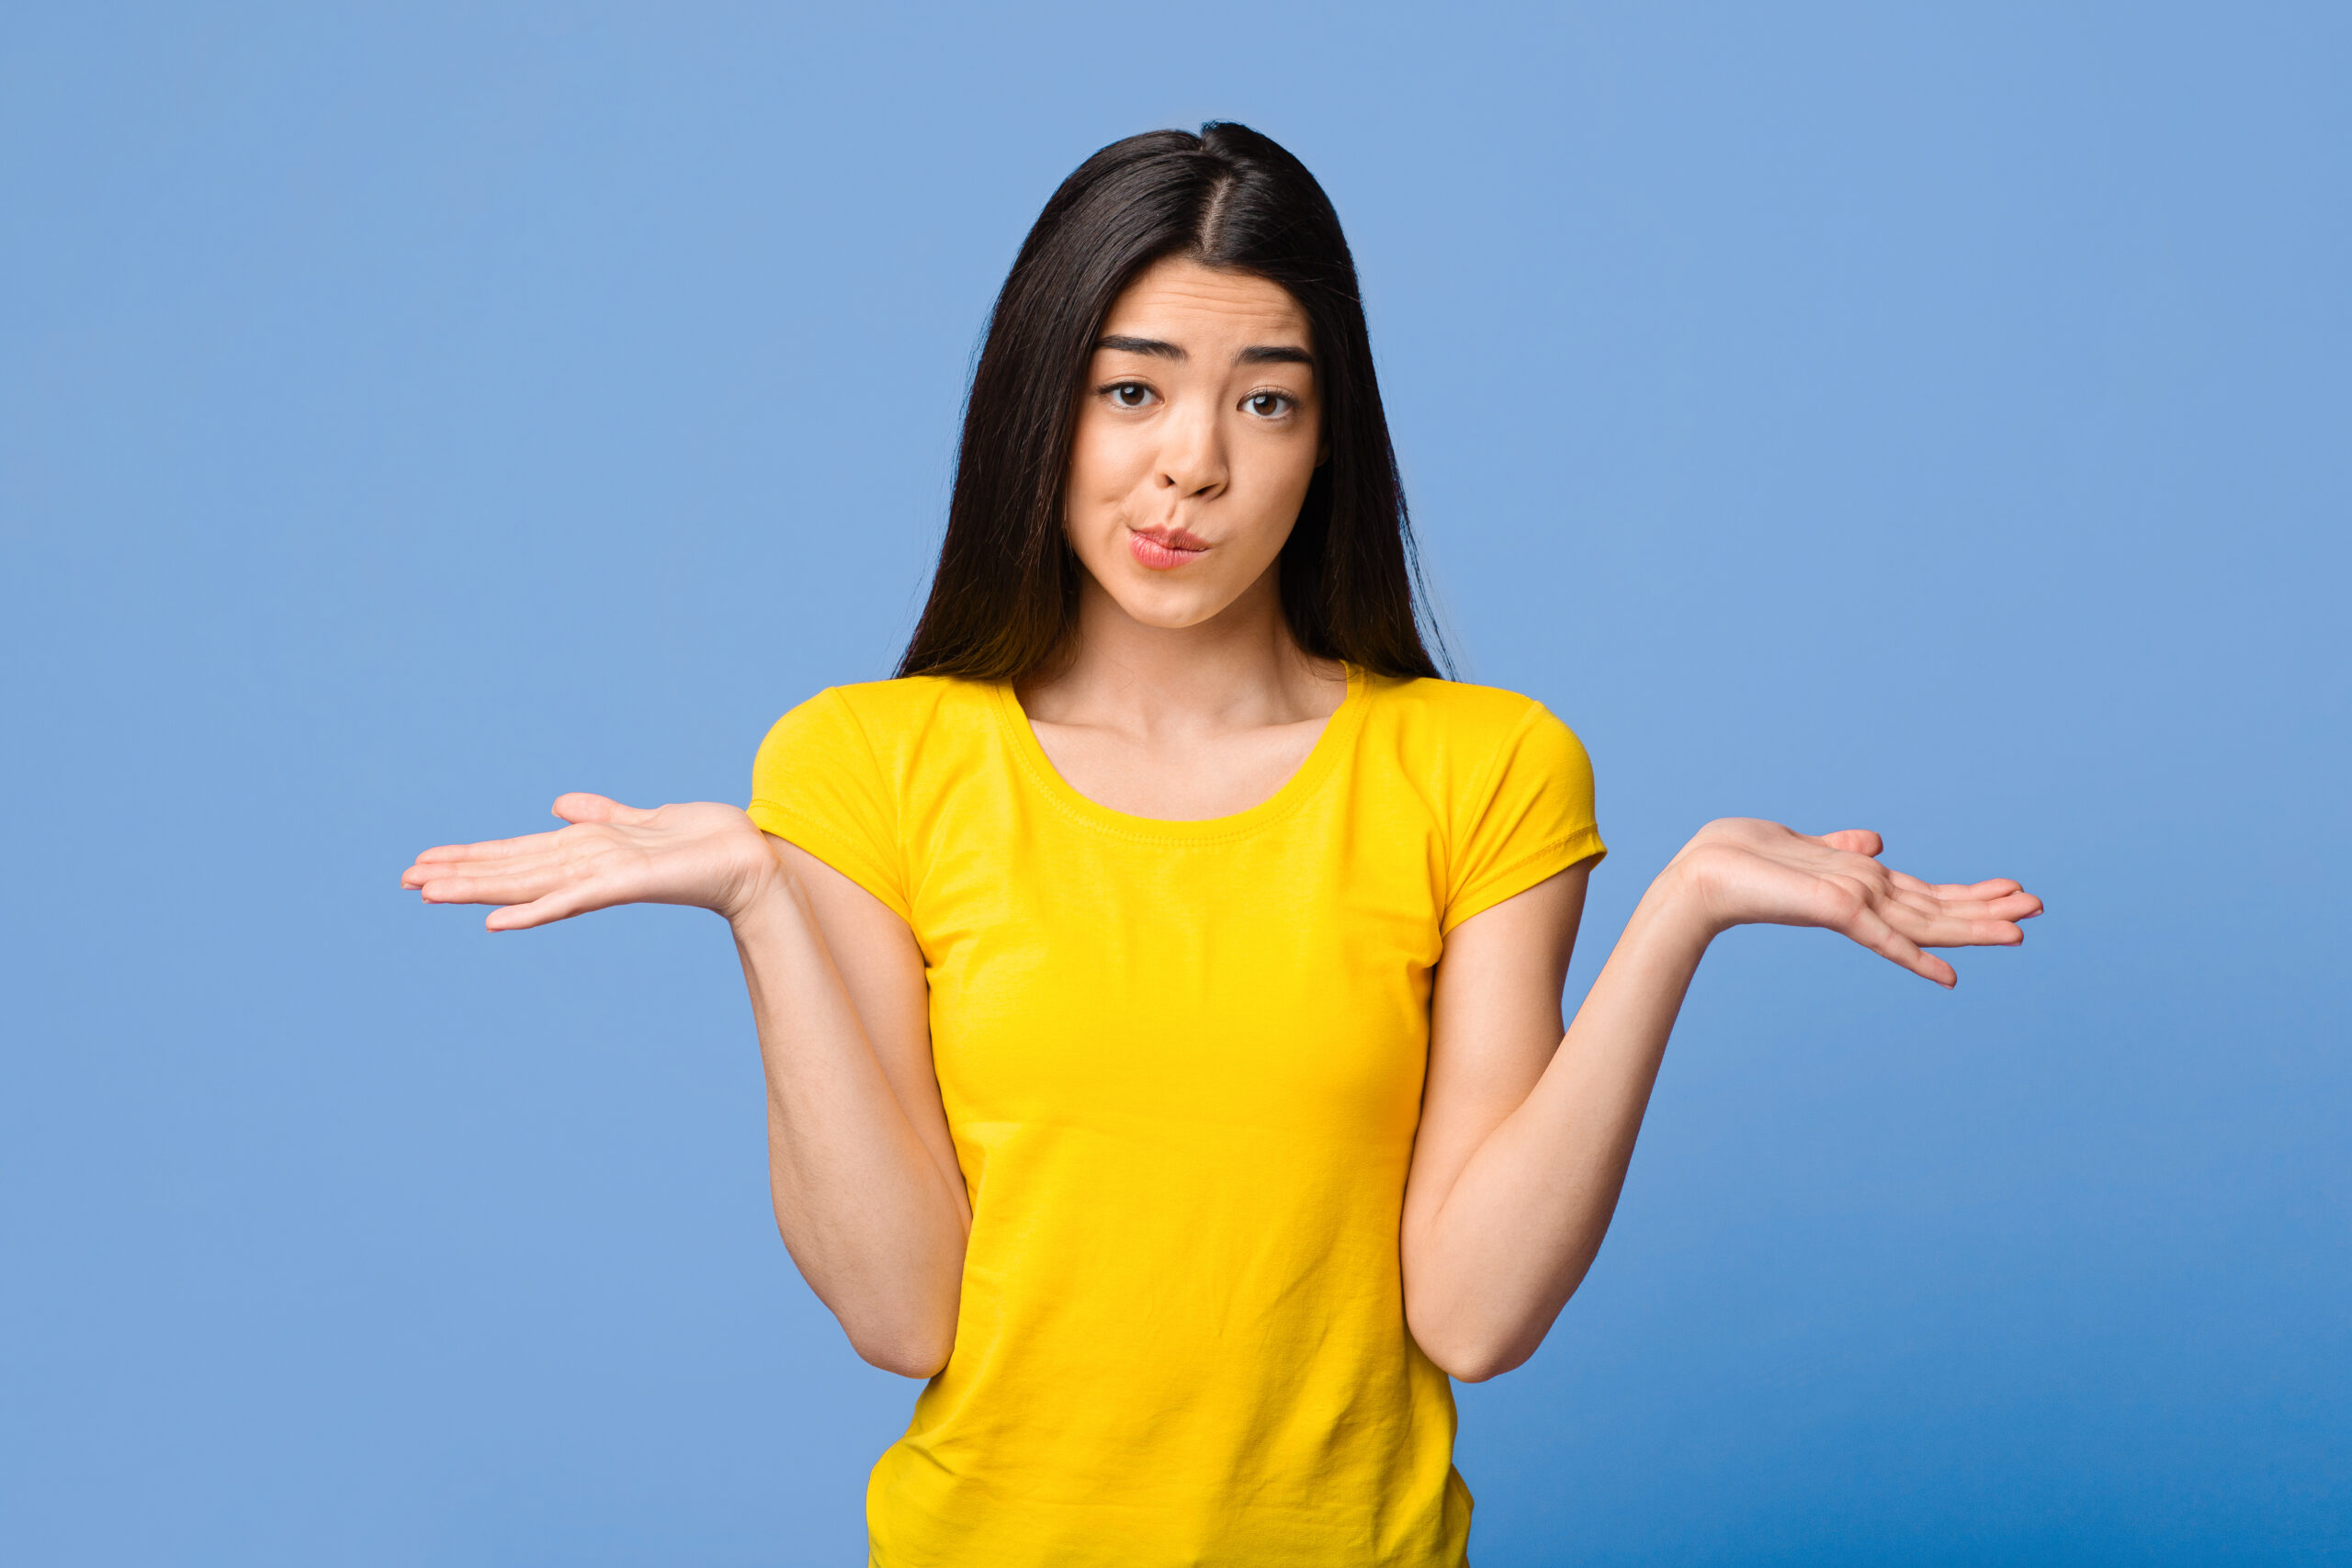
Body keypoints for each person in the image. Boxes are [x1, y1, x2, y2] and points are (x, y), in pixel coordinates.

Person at [401, 123, 2040, 1567]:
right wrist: (759, 899)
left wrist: (1676, 916)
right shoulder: (868, 765)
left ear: (1329, 447)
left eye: (1266, 400)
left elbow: (1472, 1315)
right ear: (1040, 407)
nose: (1194, 460)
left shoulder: (1479, 769)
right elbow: (900, 1314)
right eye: (1133, 391)